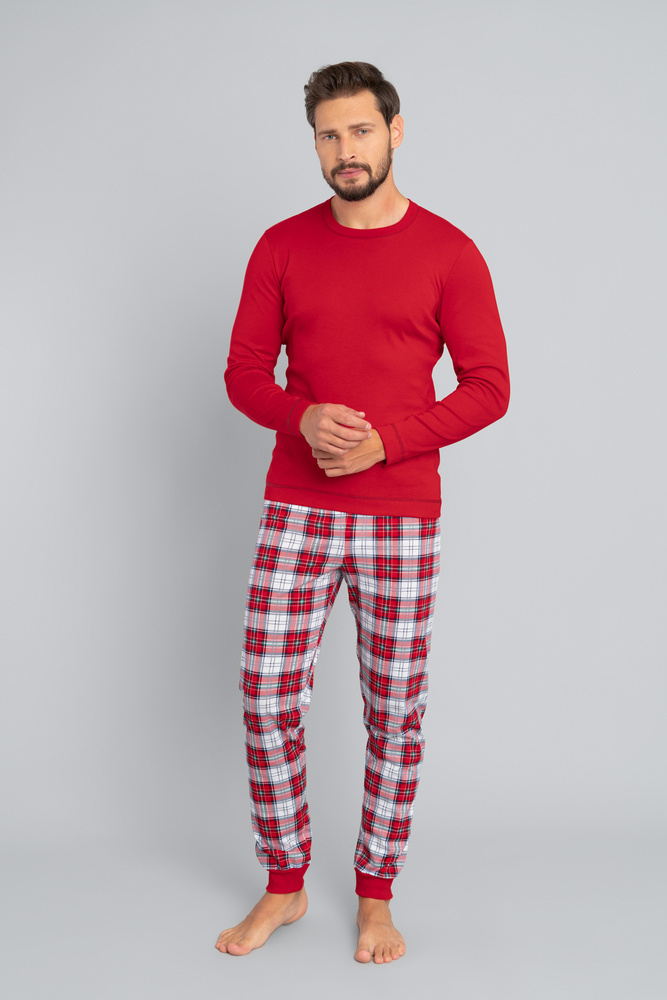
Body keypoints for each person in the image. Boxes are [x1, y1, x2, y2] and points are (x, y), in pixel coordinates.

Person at [215, 61, 509, 964]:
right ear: (314, 143)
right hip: (297, 506)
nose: (345, 150)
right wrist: (300, 416)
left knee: (394, 711)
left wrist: (389, 442)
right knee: (266, 696)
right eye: (328, 135)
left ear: (395, 131)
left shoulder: (450, 251)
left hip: (399, 512)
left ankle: (375, 897)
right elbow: (243, 374)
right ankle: (285, 883)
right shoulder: (281, 246)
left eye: (360, 131)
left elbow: (490, 386)